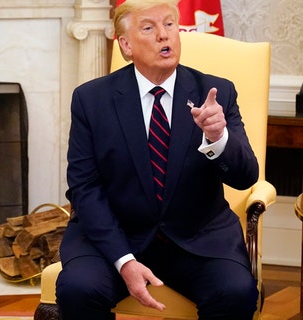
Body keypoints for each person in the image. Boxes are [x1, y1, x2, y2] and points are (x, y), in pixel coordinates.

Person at [55, 0, 259, 319]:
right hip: (115, 236)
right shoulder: (91, 99)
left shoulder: (216, 93)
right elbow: (85, 188)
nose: (164, 35)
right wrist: (124, 260)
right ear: (125, 45)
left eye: (169, 25)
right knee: (79, 289)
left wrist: (219, 138)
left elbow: (246, 176)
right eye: (149, 28)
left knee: (235, 292)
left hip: (198, 238)